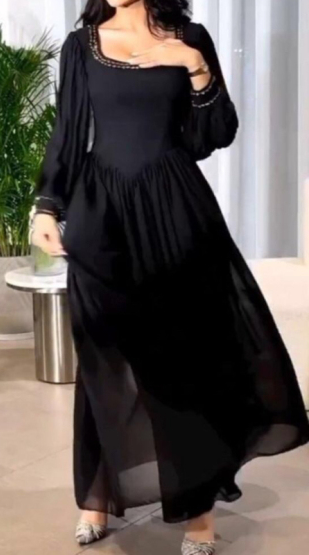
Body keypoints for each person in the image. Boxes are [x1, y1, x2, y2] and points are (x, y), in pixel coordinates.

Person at [30, 1, 309, 554]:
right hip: (101, 214)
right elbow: (68, 132)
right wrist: (46, 206)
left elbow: (213, 135)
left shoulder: (190, 37)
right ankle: (97, 494)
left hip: (173, 209)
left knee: (183, 359)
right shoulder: (81, 46)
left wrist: (195, 66)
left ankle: (197, 510)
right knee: (104, 356)